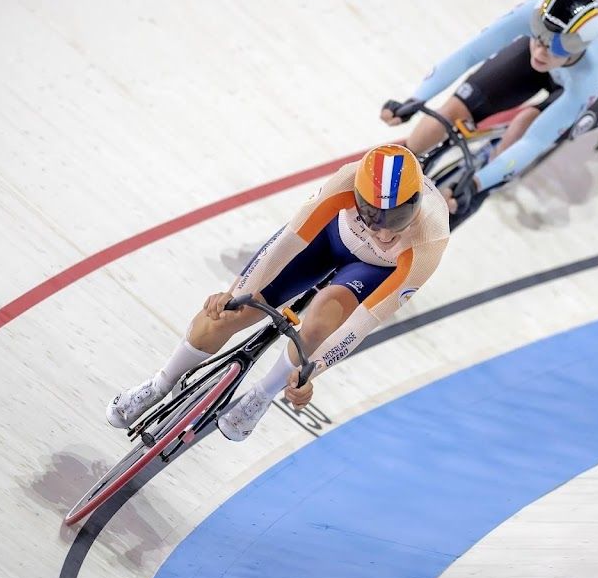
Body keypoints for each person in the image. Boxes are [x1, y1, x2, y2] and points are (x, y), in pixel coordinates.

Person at [106, 144, 450, 441]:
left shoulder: (429, 240)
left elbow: (360, 324)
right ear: (358, 197)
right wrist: (236, 293)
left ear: (416, 205)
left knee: (323, 315)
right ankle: (160, 383)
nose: (383, 234)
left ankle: (262, 394)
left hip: (372, 271)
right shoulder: (347, 179)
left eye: (395, 222)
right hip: (328, 239)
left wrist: (309, 372)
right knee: (226, 315)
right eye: (372, 219)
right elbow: (288, 243)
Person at [382, 0, 598, 215]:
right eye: (539, 35)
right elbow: (469, 53)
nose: (541, 49)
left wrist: (476, 183)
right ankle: (404, 159)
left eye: (555, 45)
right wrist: (416, 99)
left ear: (578, 47)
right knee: (454, 110)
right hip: (555, 66)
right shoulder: (533, 13)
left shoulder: (594, 70)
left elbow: (535, 141)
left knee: (525, 125)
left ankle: (491, 174)